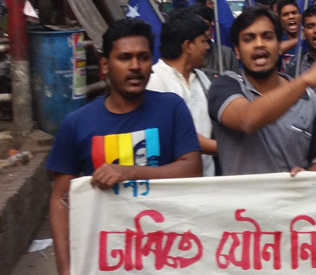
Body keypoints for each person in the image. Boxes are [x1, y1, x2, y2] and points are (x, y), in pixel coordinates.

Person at [46, 18, 201, 275]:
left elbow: (192, 170)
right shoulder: (76, 124)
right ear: (105, 65)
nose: (135, 66)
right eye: (124, 58)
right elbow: (61, 200)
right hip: (106, 259)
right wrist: (65, 268)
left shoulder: (172, 107)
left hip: (169, 255)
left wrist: (129, 172)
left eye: (143, 57)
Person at [207, 7, 316, 175]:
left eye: (267, 37)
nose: (259, 44)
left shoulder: (308, 98)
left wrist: (309, 175)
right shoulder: (224, 86)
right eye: (249, 39)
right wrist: (304, 80)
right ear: (237, 52)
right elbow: (247, 120)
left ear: (279, 46)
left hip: (295, 194)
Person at [146, 9, 217, 176]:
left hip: (207, 179)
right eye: (203, 41)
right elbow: (174, 134)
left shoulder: (202, 79)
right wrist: (225, 149)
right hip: (173, 183)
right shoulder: (154, 80)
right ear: (188, 46)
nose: (208, 47)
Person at [191, 4, 240, 77]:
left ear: (211, 26)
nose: (202, 31)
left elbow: (238, 80)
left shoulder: (226, 54)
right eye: (197, 26)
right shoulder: (183, 56)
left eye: (205, 26)